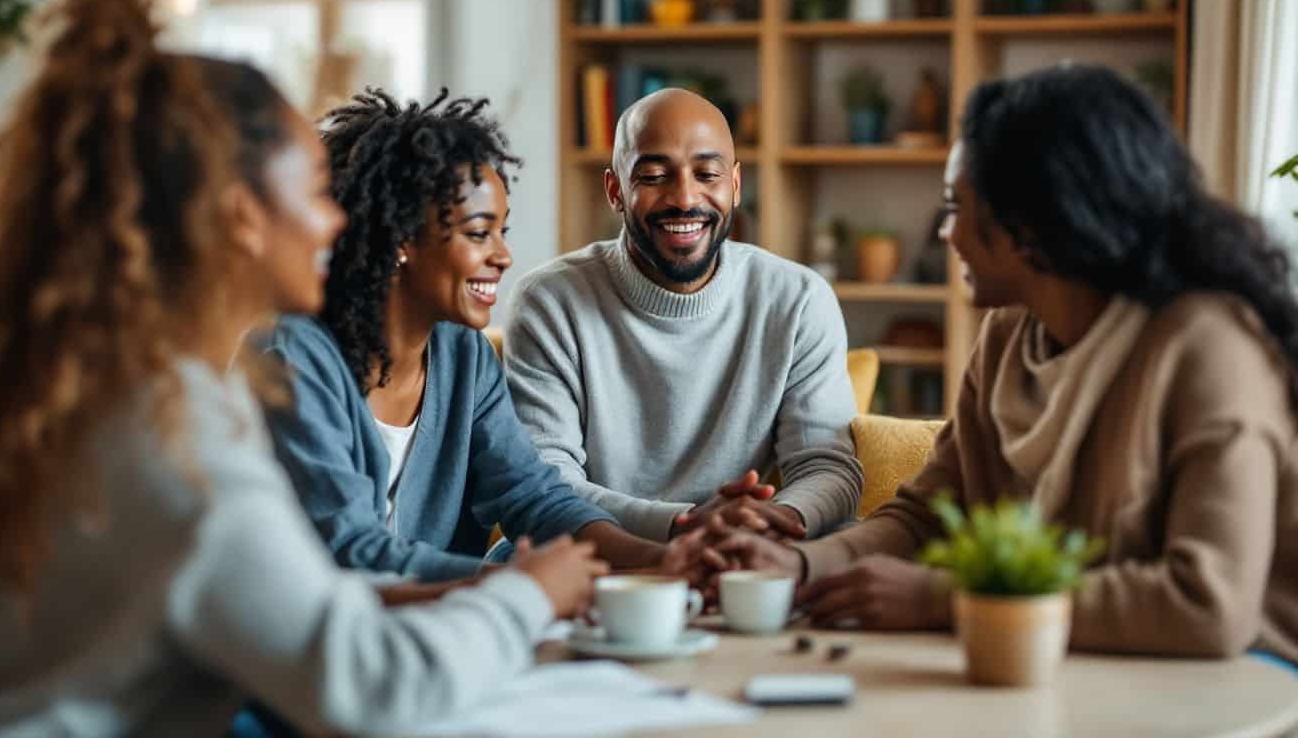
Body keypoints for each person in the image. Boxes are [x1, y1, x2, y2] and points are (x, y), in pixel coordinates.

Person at [0, 0, 606, 737]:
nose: (338, 220)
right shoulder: (179, 441)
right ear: (242, 218)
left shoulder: (117, 395)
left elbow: (294, 612)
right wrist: (522, 594)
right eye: (316, 193)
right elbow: (373, 689)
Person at [695, 65, 1298, 664]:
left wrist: (943, 599)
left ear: (1033, 220)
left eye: (957, 207)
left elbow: (1207, 607)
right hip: (1076, 660)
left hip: (1248, 676)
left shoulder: (1208, 347)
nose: (945, 233)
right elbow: (928, 517)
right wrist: (799, 563)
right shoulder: (1010, 334)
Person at [262, 88, 677, 583]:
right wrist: (519, 584)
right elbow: (348, 549)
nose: (503, 257)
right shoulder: (292, 359)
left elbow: (533, 498)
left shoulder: (464, 357)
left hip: (438, 627)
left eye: (502, 232)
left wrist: (661, 557)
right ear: (401, 239)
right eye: (480, 234)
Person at [502, 87, 865, 544]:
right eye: (654, 176)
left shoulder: (797, 300)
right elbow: (544, 483)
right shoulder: (549, 302)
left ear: (734, 186)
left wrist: (772, 522)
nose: (684, 198)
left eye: (707, 174)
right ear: (615, 190)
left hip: (754, 547)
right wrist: (685, 526)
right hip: (600, 554)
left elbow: (826, 466)